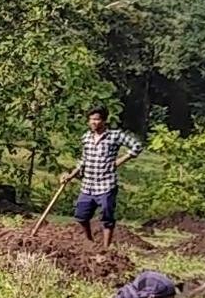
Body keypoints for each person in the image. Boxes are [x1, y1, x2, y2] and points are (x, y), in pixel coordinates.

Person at [60, 106, 143, 248]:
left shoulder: (115, 136)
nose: (93, 122)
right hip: (88, 185)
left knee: (106, 217)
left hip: (106, 184)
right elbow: (83, 161)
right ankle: (89, 242)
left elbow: (137, 146)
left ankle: (106, 248)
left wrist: (118, 162)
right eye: (91, 119)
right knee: (81, 215)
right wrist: (70, 175)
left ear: (104, 121)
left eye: (97, 119)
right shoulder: (86, 137)